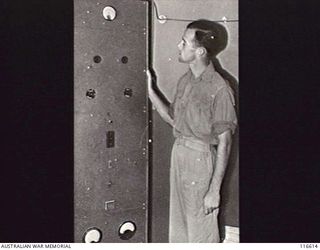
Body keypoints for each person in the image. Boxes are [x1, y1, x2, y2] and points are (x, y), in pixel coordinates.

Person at [147, 19, 238, 243]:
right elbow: (173, 119)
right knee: (179, 228)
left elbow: (225, 142)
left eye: (184, 42)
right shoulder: (185, 80)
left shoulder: (220, 88)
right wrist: (150, 91)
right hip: (179, 154)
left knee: (201, 231)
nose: (179, 46)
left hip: (200, 161)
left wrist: (214, 190)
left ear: (199, 51)